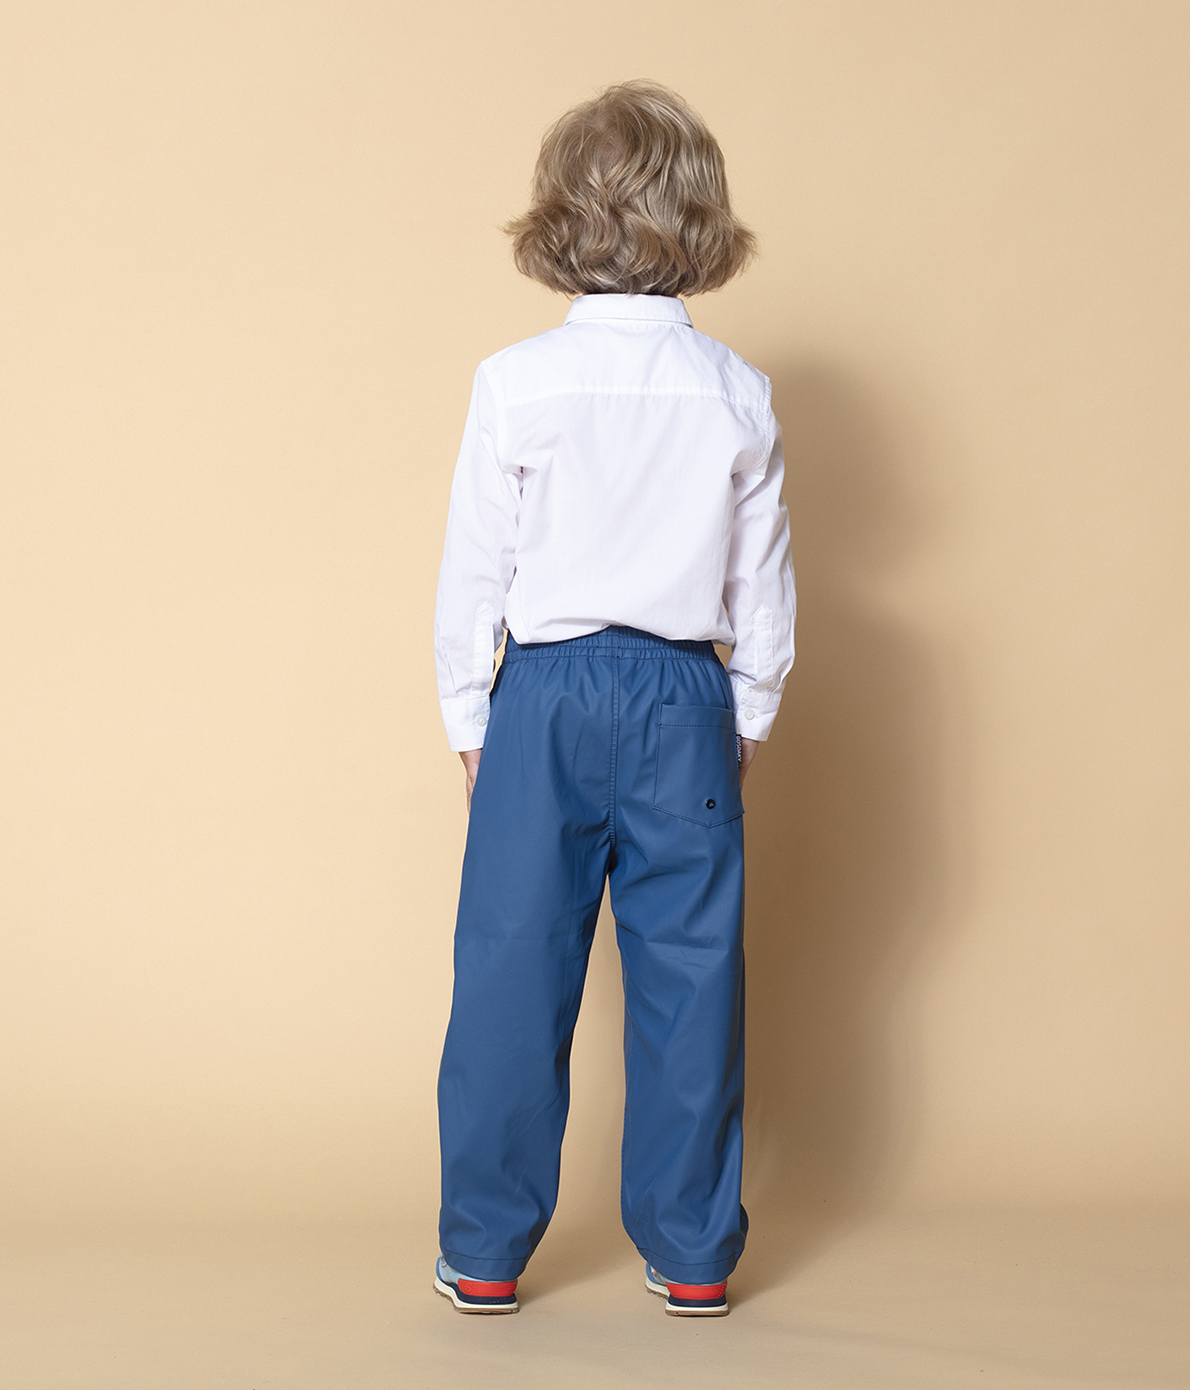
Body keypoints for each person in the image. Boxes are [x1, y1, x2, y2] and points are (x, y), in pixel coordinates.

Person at [431, 79, 796, 1318]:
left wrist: (469, 722)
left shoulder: (515, 382)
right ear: (702, 217)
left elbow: (475, 568)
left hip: (544, 692)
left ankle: (486, 1249)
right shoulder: (734, 390)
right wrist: (745, 713)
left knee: (510, 966)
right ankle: (692, 1252)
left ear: (557, 217)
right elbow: (761, 583)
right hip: (684, 693)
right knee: (691, 974)